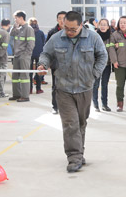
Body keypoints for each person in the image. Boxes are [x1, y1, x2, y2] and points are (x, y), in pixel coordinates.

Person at [38, 11, 107, 173]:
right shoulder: (56, 38)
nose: (69, 32)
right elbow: (46, 54)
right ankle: (74, 157)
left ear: (81, 26)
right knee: (70, 124)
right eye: (66, 28)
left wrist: (94, 75)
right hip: (64, 89)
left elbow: (103, 56)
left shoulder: (93, 38)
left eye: (73, 29)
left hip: (85, 88)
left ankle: (79, 153)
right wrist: (43, 64)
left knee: (81, 123)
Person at [9, 10, 35, 102]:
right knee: (15, 76)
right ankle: (16, 94)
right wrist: (14, 26)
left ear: (21, 18)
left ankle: (25, 96)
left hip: (24, 56)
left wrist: (26, 55)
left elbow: (31, 44)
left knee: (24, 76)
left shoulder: (29, 29)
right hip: (17, 55)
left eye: (16, 18)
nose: (15, 20)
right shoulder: (18, 29)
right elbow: (11, 34)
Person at [47, 11, 67, 114]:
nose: (62, 20)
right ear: (57, 19)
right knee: (56, 86)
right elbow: (47, 48)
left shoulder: (73, 32)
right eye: (60, 18)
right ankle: (55, 106)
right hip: (56, 64)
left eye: (64, 18)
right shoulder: (52, 33)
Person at [93, 18, 112, 111]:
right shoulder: (94, 37)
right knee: (95, 85)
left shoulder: (111, 38)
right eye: (101, 24)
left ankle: (105, 104)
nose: (103, 26)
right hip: (96, 65)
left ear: (108, 27)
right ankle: (95, 104)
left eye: (105, 24)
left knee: (104, 85)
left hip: (107, 65)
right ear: (98, 26)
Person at [29, 17, 46, 95]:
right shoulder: (40, 33)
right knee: (38, 71)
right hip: (39, 54)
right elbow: (43, 43)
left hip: (29, 53)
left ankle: (29, 89)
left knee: (29, 72)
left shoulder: (28, 32)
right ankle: (38, 89)